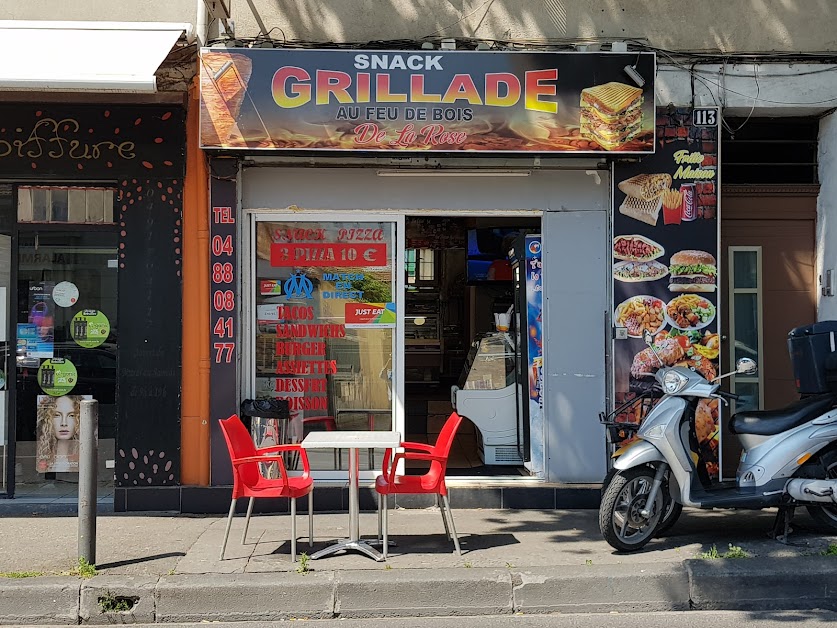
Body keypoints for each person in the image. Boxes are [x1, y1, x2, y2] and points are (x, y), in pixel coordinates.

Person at [36, 395, 81, 473]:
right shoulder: (41, 456)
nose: (64, 423)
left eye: (71, 415)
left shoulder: (84, 458)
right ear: (48, 419)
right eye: (57, 415)